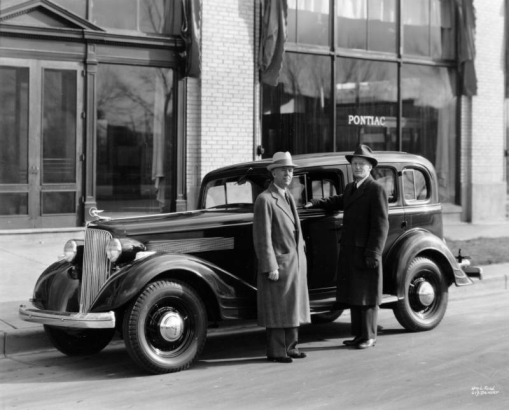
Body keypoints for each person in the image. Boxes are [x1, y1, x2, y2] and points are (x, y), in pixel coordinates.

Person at [304, 144, 389, 349]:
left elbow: (381, 225)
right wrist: (316, 203)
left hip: (366, 251)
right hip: (351, 250)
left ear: (370, 167)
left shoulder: (376, 189)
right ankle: (359, 335)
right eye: (355, 164)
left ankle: (369, 336)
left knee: (367, 295)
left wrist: (374, 253)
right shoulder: (352, 188)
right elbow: (339, 200)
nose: (357, 167)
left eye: (362, 164)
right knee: (355, 294)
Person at [253, 151, 311, 363]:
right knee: (278, 307)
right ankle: (278, 351)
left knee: (292, 305)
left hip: (293, 262)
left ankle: (291, 347)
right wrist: (271, 266)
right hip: (279, 263)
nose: (288, 173)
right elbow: (262, 237)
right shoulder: (265, 199)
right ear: (274, 173)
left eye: (290, 170)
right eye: (284, 170)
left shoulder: (287, 196)